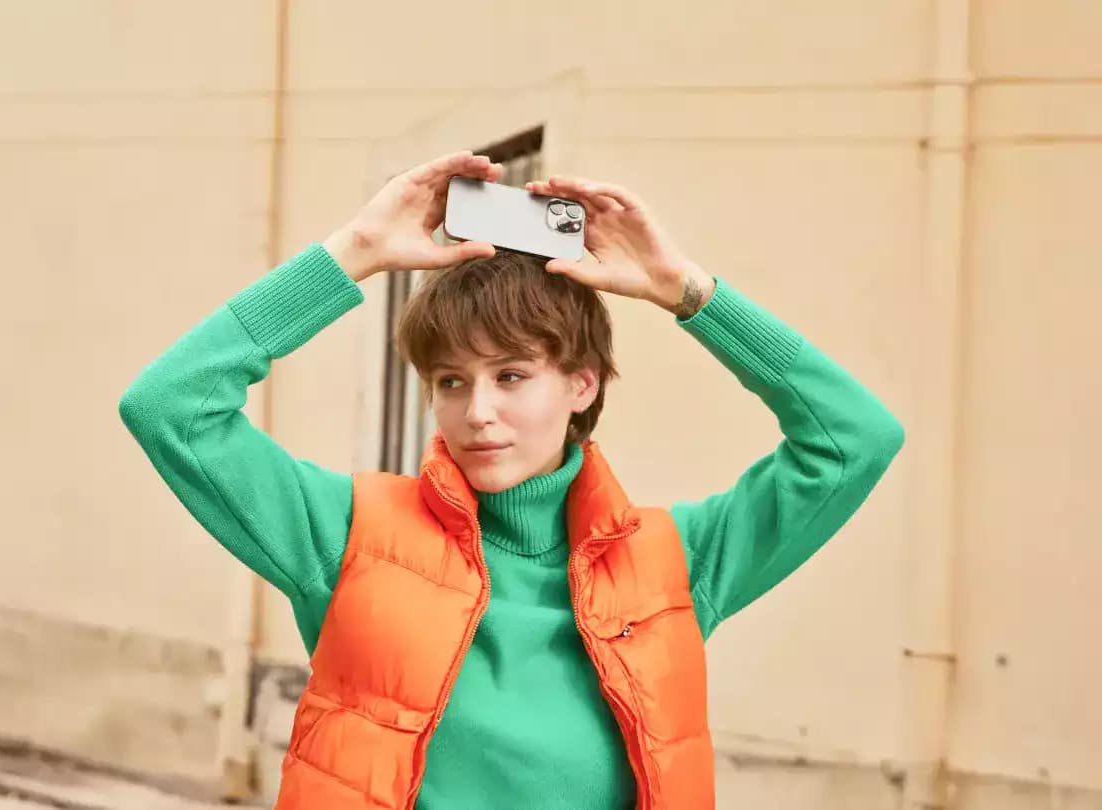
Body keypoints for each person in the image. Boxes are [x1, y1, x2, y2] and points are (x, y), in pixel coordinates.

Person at [119, 151, 905, 809]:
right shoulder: (346, 534)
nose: (478, 412)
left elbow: (853, 439)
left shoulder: (679, 562)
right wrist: (356, 251)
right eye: (452, 381)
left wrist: (685, 292)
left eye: (512, 375)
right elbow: (170, 407)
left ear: (582, 386)